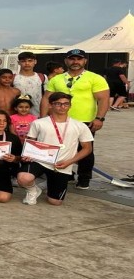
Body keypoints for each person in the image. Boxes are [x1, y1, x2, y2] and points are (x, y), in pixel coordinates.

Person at [41, 49, 109, 189]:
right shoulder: (56, 79)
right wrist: (42, 118)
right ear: (66, 61)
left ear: (85, 61)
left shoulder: (95, 78)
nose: (75, 62)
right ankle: (66, 174)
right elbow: (46, 98)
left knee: (85, 150)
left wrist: (99, 118)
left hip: (85, 121)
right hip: (60, 120)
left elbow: (104, 99)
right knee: (61, 148)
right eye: (72, 59)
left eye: (79, 59)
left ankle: (84, 178)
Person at [19, 92, 93, 205]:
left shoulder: (80, 126)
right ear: (50, 105)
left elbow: (87, 148)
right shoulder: (38, 123)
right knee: (24, 178)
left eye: (66, 104)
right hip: (40, 161)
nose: (62, 107)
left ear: (70, 106)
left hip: (62, 164)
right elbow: (30, 143)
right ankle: (33, 190)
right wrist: (27, 155)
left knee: (55, 202)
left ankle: (49, 183)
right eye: (58, 104)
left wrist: (69, 162)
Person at [11, 51, 45, 116]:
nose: (27, 63)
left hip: (37, 114)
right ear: (18, 62)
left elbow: (46, 98)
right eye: (23, 61)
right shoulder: (13, 77)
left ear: (35, 62)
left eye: (30, 61)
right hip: (18, 116)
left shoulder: (42, 77)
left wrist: (44, 115)